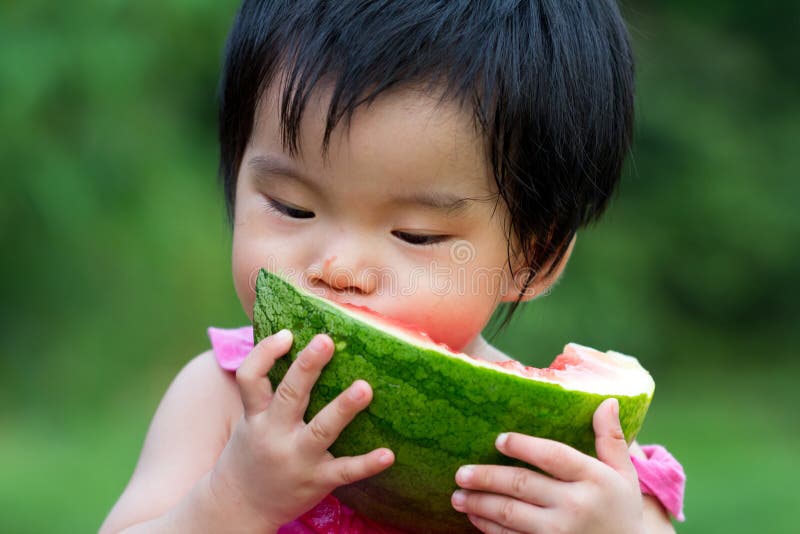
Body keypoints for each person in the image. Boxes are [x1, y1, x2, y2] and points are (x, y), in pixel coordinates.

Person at [100, 1, 685, 532]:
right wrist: (229, 501)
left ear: (534, 255)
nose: (338, 266)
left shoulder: (575, 461)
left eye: (415, 234)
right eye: (290, 206)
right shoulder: (220, 400)